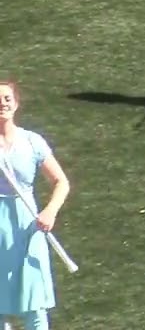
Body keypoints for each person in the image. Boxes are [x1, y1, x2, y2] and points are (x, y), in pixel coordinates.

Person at [0, 82, 70, 330]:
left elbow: (61, 182)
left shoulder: (32, 141)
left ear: (16, 104)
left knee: (35, 304)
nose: (2, 103)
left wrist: (50, 211)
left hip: (29, 224)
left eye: (7, 98)